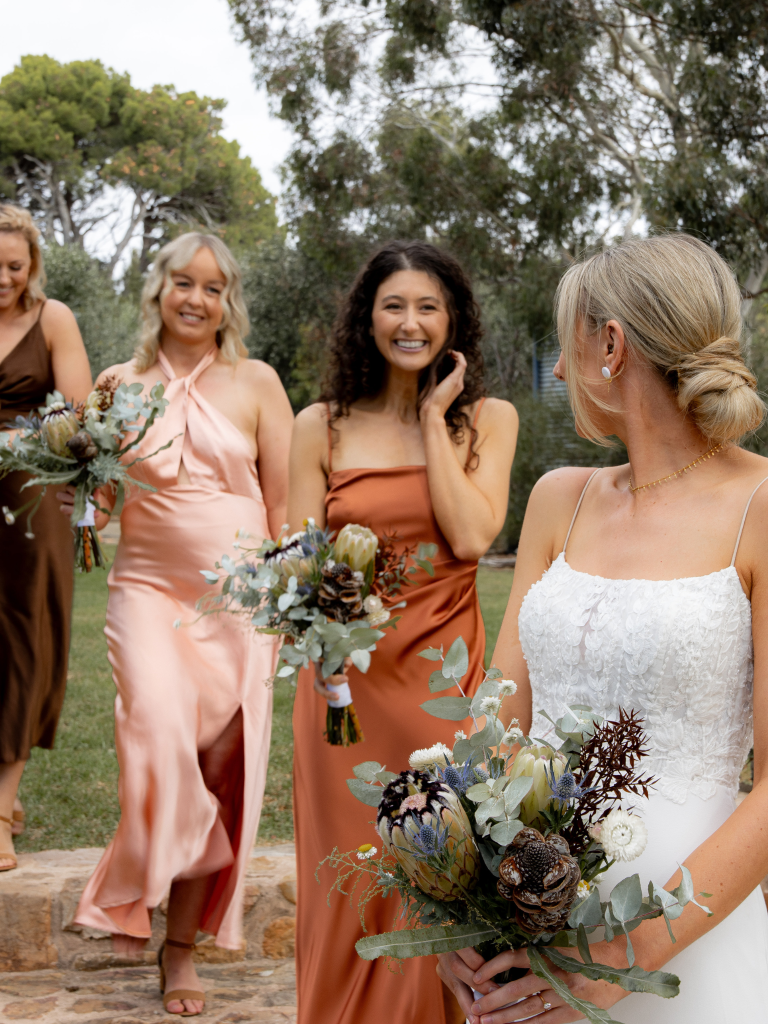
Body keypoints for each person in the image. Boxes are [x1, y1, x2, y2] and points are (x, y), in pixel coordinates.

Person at [438, 233, 768, 1022]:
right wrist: (453, 900)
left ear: (610, 346)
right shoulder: (560, 496)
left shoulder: (760, 507)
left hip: (686, 939)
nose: (558, 370)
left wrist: (628, 958)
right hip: (530, 932)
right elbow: (499, 720)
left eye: (566, 346)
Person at [288, 240, 518, 1024]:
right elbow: (297, 562)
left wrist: (430, 417)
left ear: (452, 320)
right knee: (346, 878)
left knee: (437, 873)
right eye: (394, 305)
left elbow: (472, 538)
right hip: (342, 693)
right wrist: (320, 647)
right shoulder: (319, 425)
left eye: (428, 307)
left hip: (438, 688)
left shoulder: (487, 420)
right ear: (368, 318)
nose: (410, 322)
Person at [65, 233, 294, 1017]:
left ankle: (180, 945)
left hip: (240, 600)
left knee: (218, 769)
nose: (196, 299)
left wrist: (293, 604)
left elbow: (287, 505)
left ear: (230, 301)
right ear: (157, 289)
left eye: (213, 287)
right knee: (158, 732)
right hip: (148, 591)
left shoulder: (258, 382)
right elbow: (98, 501)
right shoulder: (116, 383)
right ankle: (136, 886)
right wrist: (80, 501)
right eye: (182, 283)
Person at [0, 204, 92, 872]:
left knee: (20, 638)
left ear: (32, 265)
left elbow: (79, 413)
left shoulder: (52, 318)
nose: (2, 277)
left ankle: (1, 810)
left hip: (30, 502)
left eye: (13, 264)